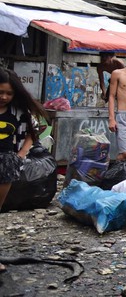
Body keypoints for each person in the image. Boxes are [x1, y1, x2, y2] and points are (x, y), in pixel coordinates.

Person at [0, 68, 48, 273]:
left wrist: (21, 154)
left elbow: (35, 130)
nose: (4, 97)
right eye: (0, 92)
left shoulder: (18, 112)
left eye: (9, 93)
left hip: (5, 164)